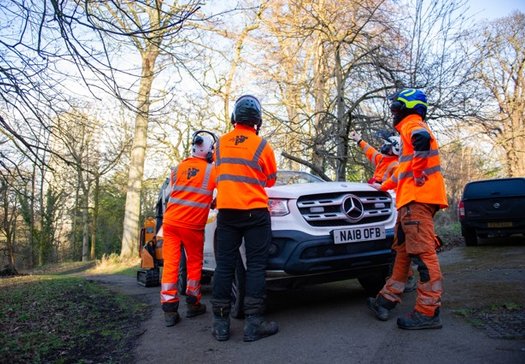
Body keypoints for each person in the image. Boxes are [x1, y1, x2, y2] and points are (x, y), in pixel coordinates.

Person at [366, 88, 448, 330]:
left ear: (407, 108)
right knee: (402, 251)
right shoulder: (407, 133)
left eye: (395, 108)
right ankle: (386, 300)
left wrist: (420, 171)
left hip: (417, 202)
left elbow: (421, 140)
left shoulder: (412, 124)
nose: (393, 113)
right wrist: (385, 186)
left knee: (423, 254)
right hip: (410, 203)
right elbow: (404, 171)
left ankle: (428, 311)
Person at [211, 94, 279, 342]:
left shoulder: (219, 144)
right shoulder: (263, 146)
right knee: (256, 267)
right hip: (255, 214)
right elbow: (271, 179)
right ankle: (254, 323)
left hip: (227, 214)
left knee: (225, 267)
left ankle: (220, 324)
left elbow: (217, 174)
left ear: (234, 119)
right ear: (257, 121)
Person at [160, 130, 217, 327]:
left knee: (171, 265)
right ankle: (193, 303)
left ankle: (169, 309)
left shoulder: (177, 169)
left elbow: (170, 194)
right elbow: (219, 195)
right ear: (210, 151)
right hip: (192, 225)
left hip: (171, 223)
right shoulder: (212, 171)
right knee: (194, 264)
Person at [350, 131, 418, 293]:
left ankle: (406, 277)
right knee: (397, 245)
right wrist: (359, 140)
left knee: (398, 245)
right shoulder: (382, 159)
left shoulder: (396, 165)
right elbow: (371, 152)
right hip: (380, 203)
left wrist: (381, 186)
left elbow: (395, 184)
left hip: (391, 205)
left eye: (386, 144)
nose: (382, 146)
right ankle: (399, 276)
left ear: (393, 148)